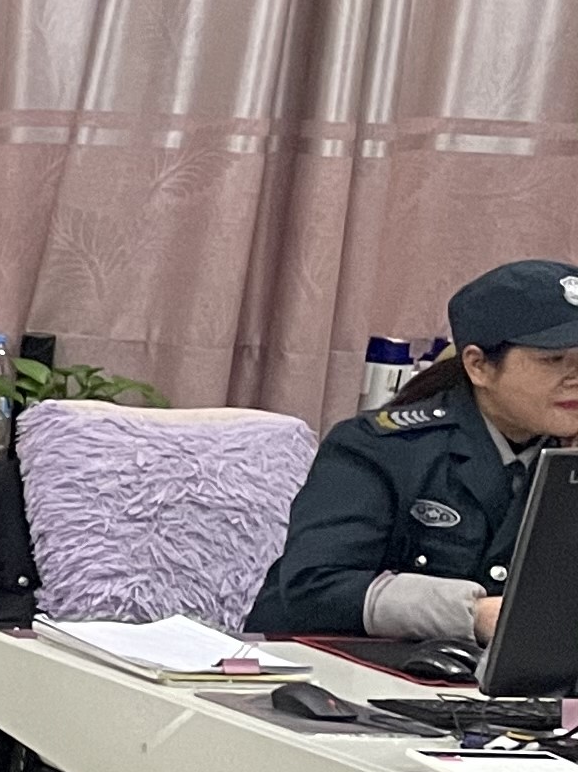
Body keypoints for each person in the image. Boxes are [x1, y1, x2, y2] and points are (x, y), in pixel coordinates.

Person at [246, 259, 578, 643]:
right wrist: (472, 614)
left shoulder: (563, 454)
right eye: (553, 360)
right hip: (336, 663)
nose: (574, 378)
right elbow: (316, 587)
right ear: (479, 366)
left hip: (498, 674)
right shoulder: (380, 448)